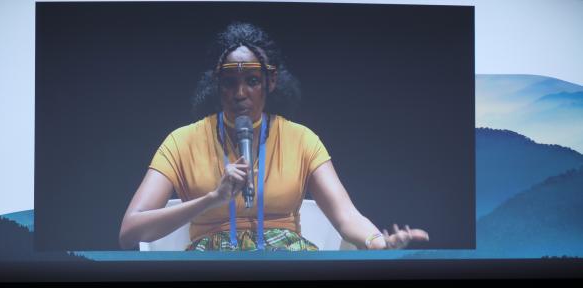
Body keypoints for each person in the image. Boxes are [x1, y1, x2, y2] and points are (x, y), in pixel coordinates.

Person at [119, 22, 429, 251]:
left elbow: (346, 215)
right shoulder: (181, 142)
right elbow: (130, 230)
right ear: (217, 84)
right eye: (229, 82)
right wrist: (213, 199)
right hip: (210, 267)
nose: (240, 93)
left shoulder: (302, 139)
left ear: (271, 80)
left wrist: (378, 241)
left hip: (288, 262)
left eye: (252, 80)